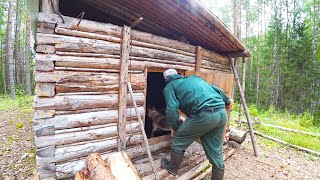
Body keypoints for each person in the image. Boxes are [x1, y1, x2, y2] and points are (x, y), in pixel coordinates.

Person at [160, 69, 234, 180]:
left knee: (179, 138)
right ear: (177, 75)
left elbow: (171, 108)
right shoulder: (194, 78)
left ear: (165, 79)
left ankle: (172, 168)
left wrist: (175, 128)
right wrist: (227, 101)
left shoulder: (169, 87)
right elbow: (216, 89)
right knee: (215, 149)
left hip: (204, 115)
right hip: (221, 113)